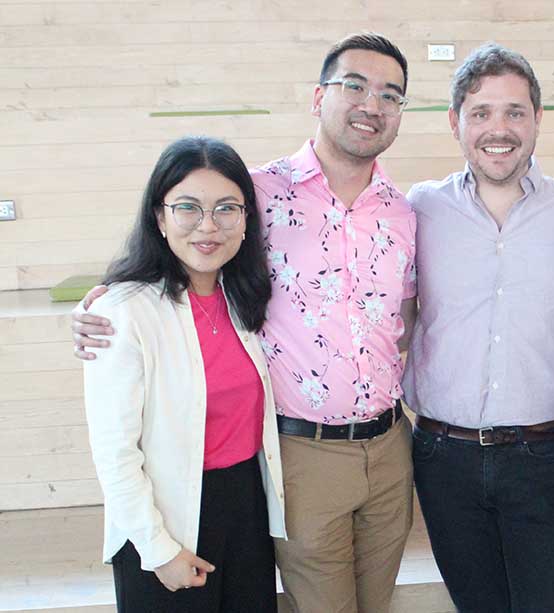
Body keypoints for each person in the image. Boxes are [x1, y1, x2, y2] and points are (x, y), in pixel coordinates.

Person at [73, 33, 416, 613]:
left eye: (390, 94)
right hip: (303, 450)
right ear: (318, 97)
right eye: (354, 86)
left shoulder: (404, 210)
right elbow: (184, 227)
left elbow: (406, 314)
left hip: (387, 446)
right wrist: (100, 304)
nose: (371, 104)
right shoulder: (254, 193)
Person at [402, 43, 554, 612]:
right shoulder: (420, 209)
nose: (499, 129)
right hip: (443, 457)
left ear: (537, 119)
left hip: (539, 456)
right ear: (455, 121)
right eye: (481, 112)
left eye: (515, 112)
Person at [82, 136, 286, 612]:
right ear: (160, 216)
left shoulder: (248, 298)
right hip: (164, 515)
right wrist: (158, 549)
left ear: (246, 219)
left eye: (226, 209)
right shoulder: (123, 311)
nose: (208, 226)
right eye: (188, 208)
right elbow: (114, 452)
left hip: (246, 506)